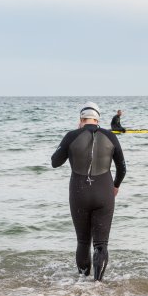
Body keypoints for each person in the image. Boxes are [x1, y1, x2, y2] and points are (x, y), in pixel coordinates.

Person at [51, 102, 126, 281]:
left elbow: (55, 161)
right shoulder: (110, 136)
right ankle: (98, 284)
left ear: (81, 119)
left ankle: (83, 283)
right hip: (104, 192)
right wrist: (115, 185)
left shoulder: (71, 136)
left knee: (83, 242)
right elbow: (122, 167)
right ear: (97, 118)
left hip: (79, 193)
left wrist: (71, 142)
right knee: (101, 244)